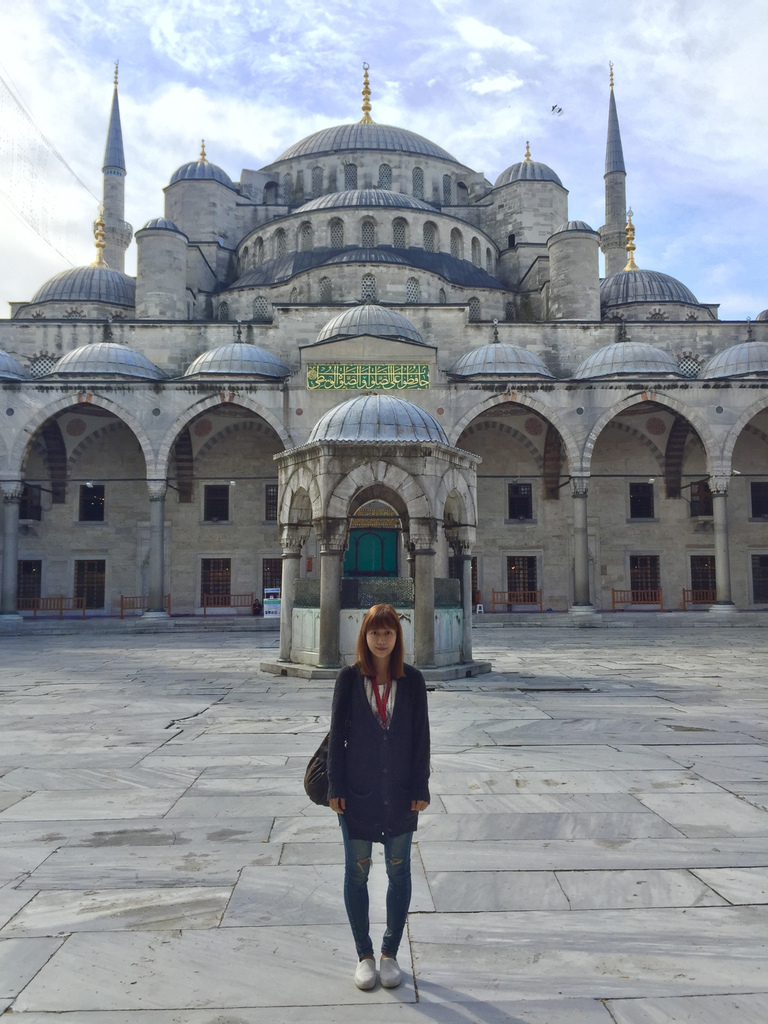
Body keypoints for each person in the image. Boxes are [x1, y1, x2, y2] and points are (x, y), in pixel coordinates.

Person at [327, 603, 430, 991]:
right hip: (357, 792)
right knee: (357, 871)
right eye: (375, 632)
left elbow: (422, 738)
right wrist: (335, 788)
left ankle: (389, 953)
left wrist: (420, 787)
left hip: (401, 793)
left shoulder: (414, 681)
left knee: (398, 870)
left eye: (389, 633)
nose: (382, 639)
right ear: (364, 637)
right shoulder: (349, 679)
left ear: (397, 638)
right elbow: (338, 737)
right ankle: (364, 955)